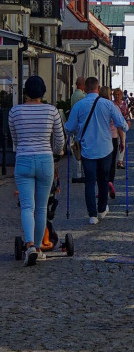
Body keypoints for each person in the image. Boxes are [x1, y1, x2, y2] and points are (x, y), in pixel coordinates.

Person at [9, 76, 65, 266]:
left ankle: (30, 245)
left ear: (25, 92)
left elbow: (14, 140)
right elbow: (59, 139)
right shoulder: (52, 111)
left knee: (27, 206)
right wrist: (58, 152)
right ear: (43, 92)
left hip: (23, 159)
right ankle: (40, 248)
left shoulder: (14, 112)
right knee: (41, 207)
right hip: (44, 160)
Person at [66, 77, 129, 225]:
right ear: (98, 88)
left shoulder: (79, 105)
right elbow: (121, 124)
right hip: (105, 148)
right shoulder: (108, 104)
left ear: (85, 89)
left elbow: (69, 128)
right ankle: (102, 209)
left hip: (87, 149)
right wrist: (126, 128)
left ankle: (92, 215)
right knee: (103, 179)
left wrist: (78, 130)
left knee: (89, 182)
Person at [100, 86, 120, 199]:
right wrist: (122, 140)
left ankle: (103, 184)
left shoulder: (97, 106)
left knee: (101, 163)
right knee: (112, 163)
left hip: (101, 138)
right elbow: (120, 124)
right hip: (113, 137)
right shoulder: (113, 106)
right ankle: (110, 182)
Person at [112, 88, 129, 168]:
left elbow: (127, 115)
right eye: (115, 95)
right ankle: (114, 159)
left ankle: (120, 161)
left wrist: (127, 122)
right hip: (114, 127)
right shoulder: (111, 104)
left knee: (122, 142)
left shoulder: (124, 104)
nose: (117, 96)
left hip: (122, 126)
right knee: (116, 143)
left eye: (118, 94)